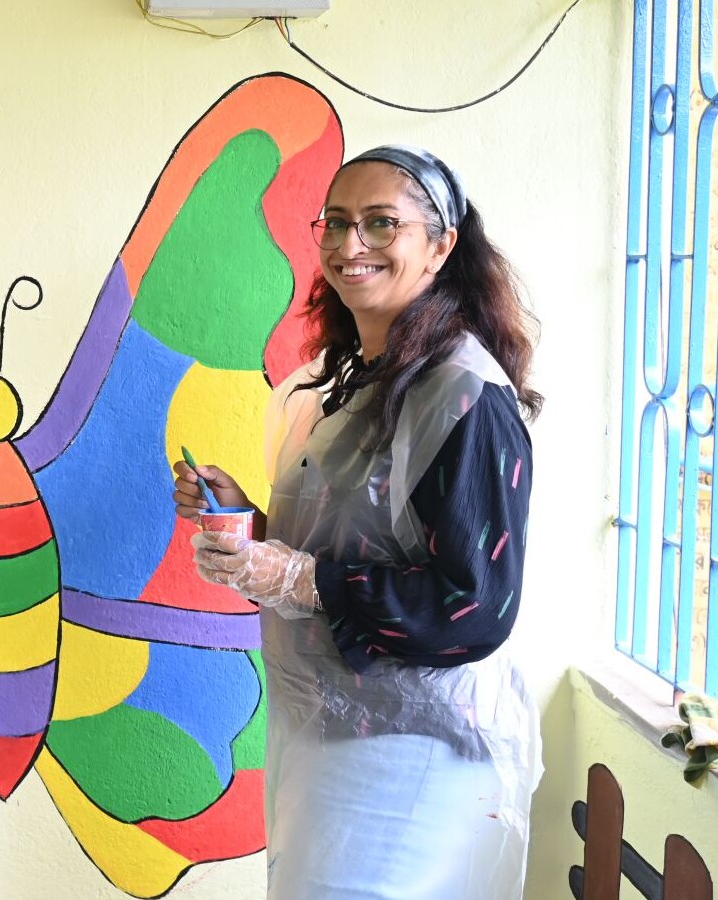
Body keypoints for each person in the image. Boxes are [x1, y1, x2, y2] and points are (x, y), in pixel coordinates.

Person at [174, 145, 543, 899]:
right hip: (338, 733)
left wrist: (301, 578)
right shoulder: (344, 385)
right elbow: (348, 543)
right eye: (335, 223)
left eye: (382, 224)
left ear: (441, 245)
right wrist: (246, 525)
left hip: (415, 749)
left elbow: (475, 606)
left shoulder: (462, 397)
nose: (350, 246)